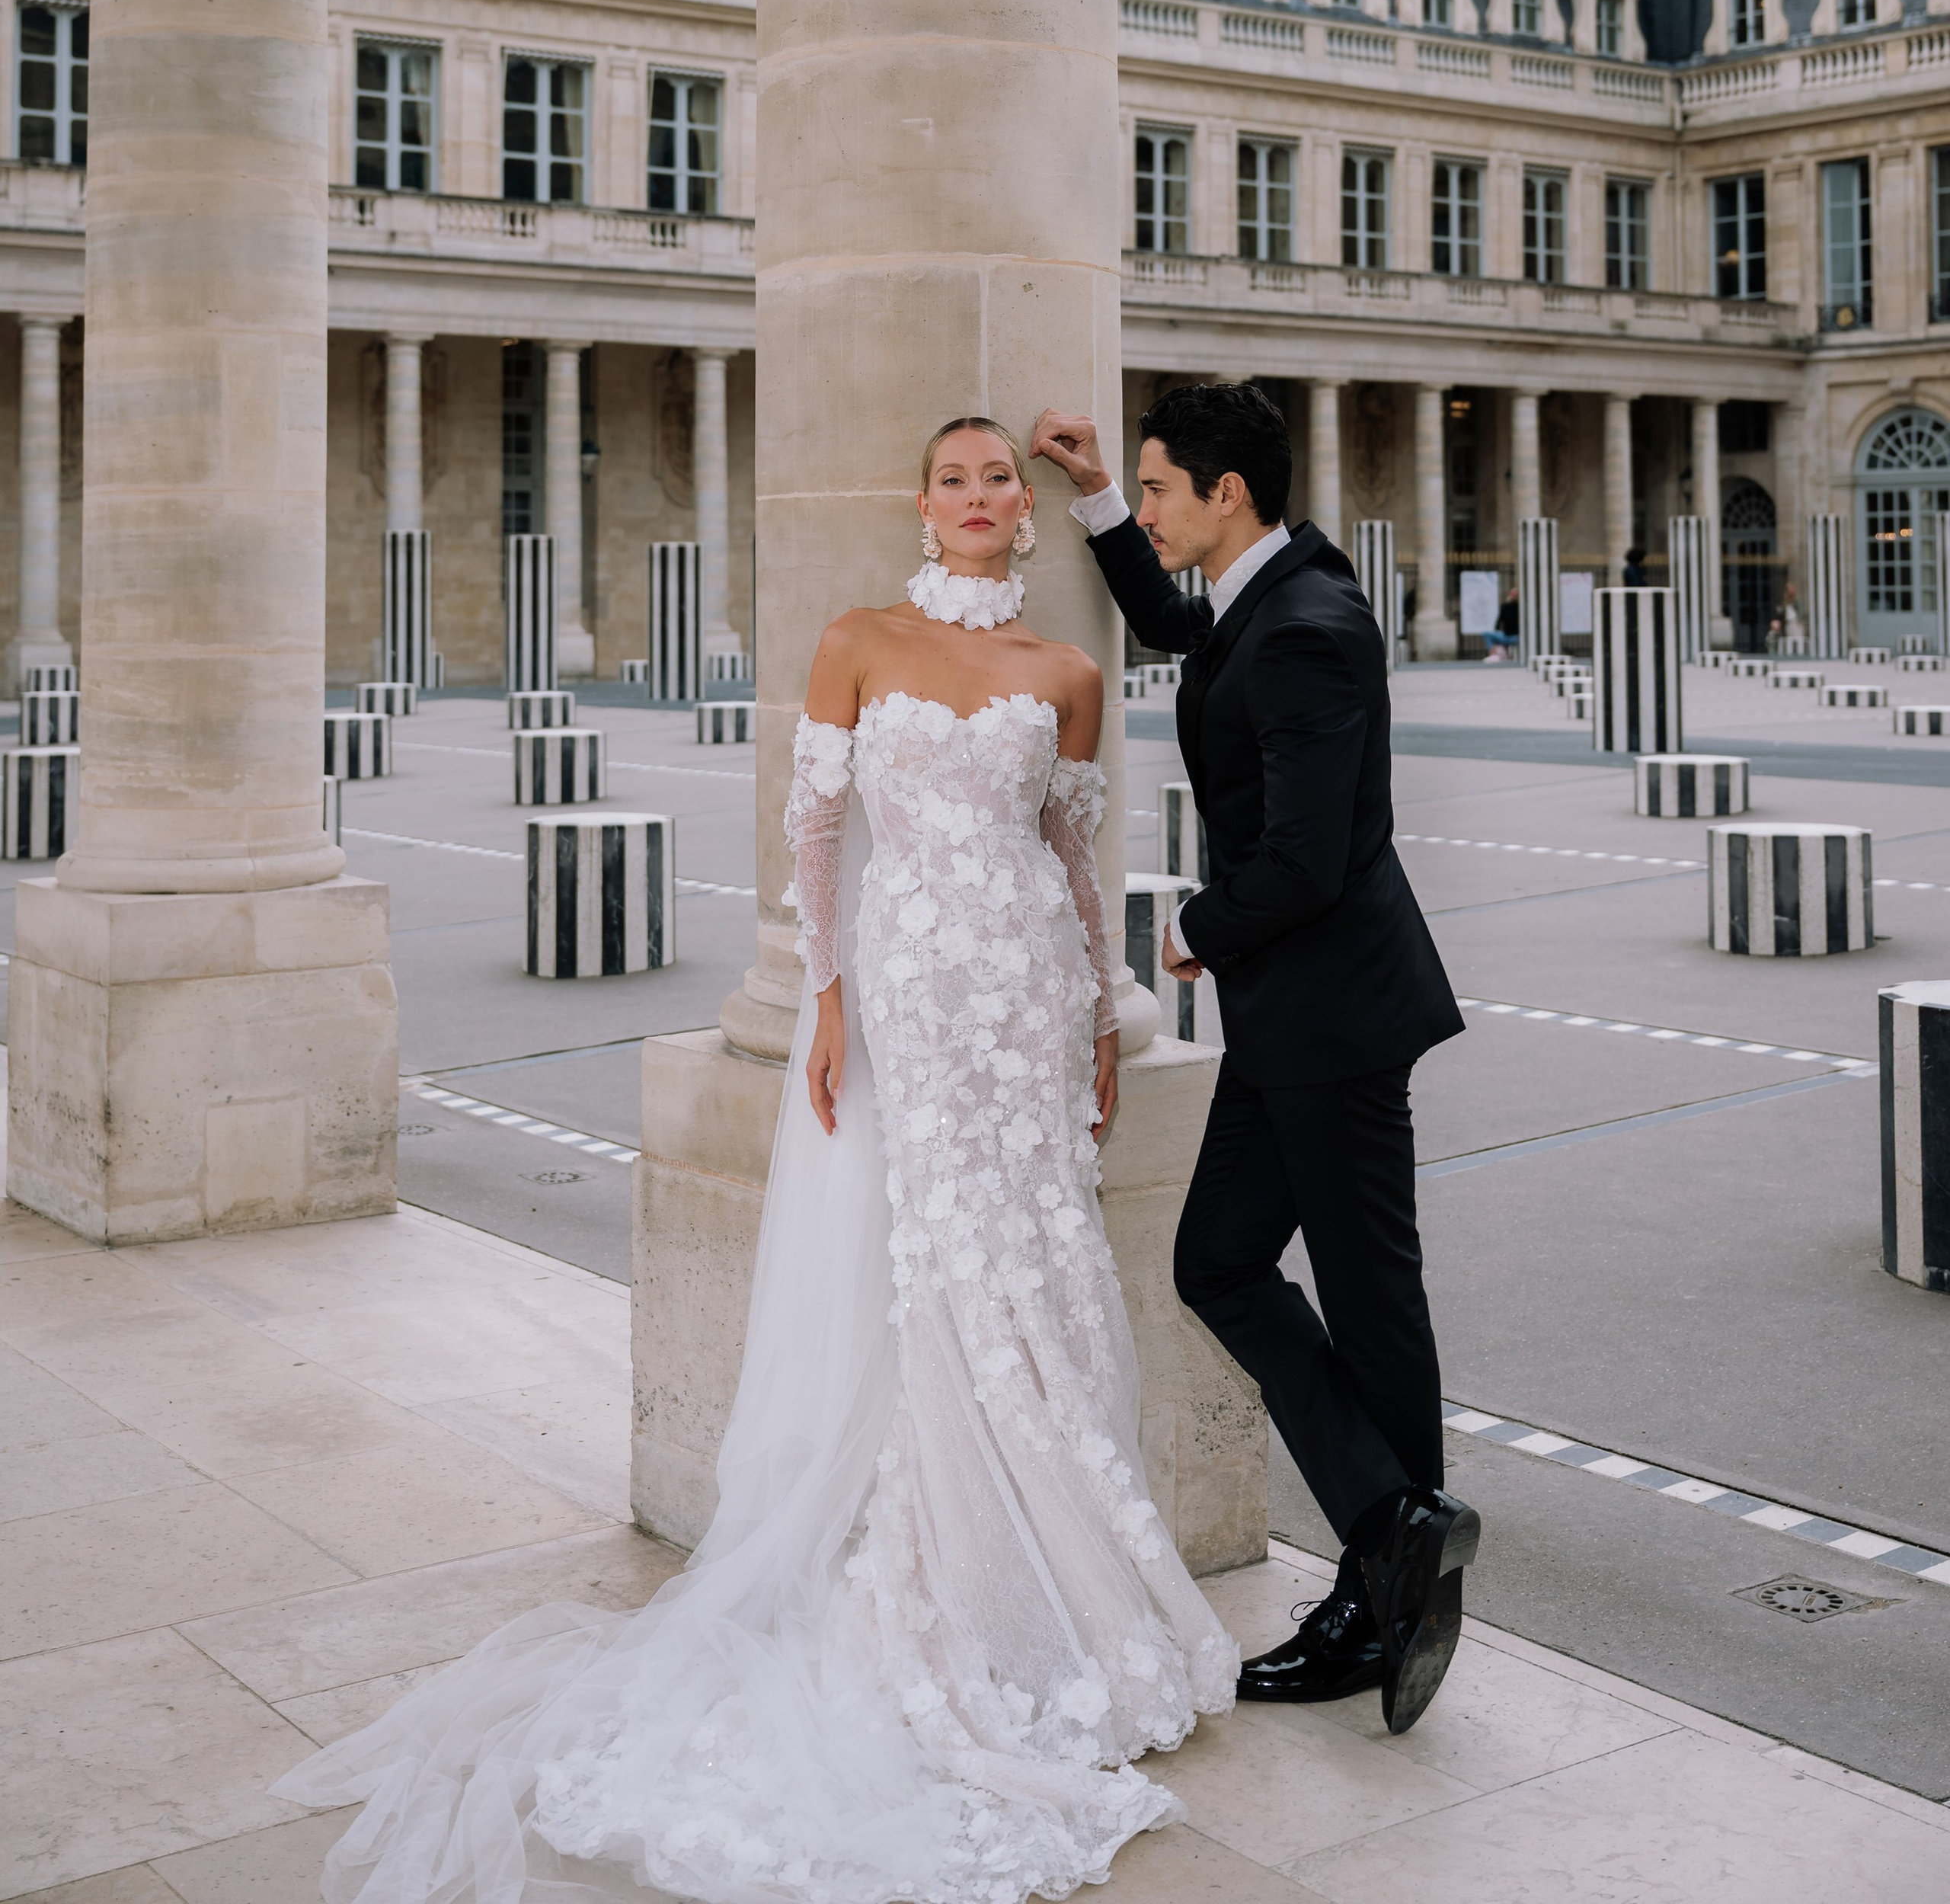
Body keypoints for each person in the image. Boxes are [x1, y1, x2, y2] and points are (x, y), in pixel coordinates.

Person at [275, 415, 1235, 1904]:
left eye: (1003, 481)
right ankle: (950, 1579)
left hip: (1023, 1002)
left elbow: (1067, 855)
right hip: (911, 998)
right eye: (959, 477)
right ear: (921, 502)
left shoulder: (1069, 675)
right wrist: (833, 999)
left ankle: (1045, 1584)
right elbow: (814, 835)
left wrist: (1100, 1020)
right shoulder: (857, 640)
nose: (983, 498)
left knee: (1031, 1267)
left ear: (1029, 514)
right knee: (937, 1278)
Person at [1031, 383, 1478, 1736]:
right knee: (1226, 1260)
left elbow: (1306, 853)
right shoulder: (1267, 586)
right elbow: (1175, 625)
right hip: (1304, 1019)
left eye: (1165, 489)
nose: (1154, 509)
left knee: (1364, 1296)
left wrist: (1191, 930)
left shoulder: (1309, 630)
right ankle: (1397, 1533)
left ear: (1227, 494)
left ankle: (1387, 1572)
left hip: (1331, 1018)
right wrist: (1103, 496)